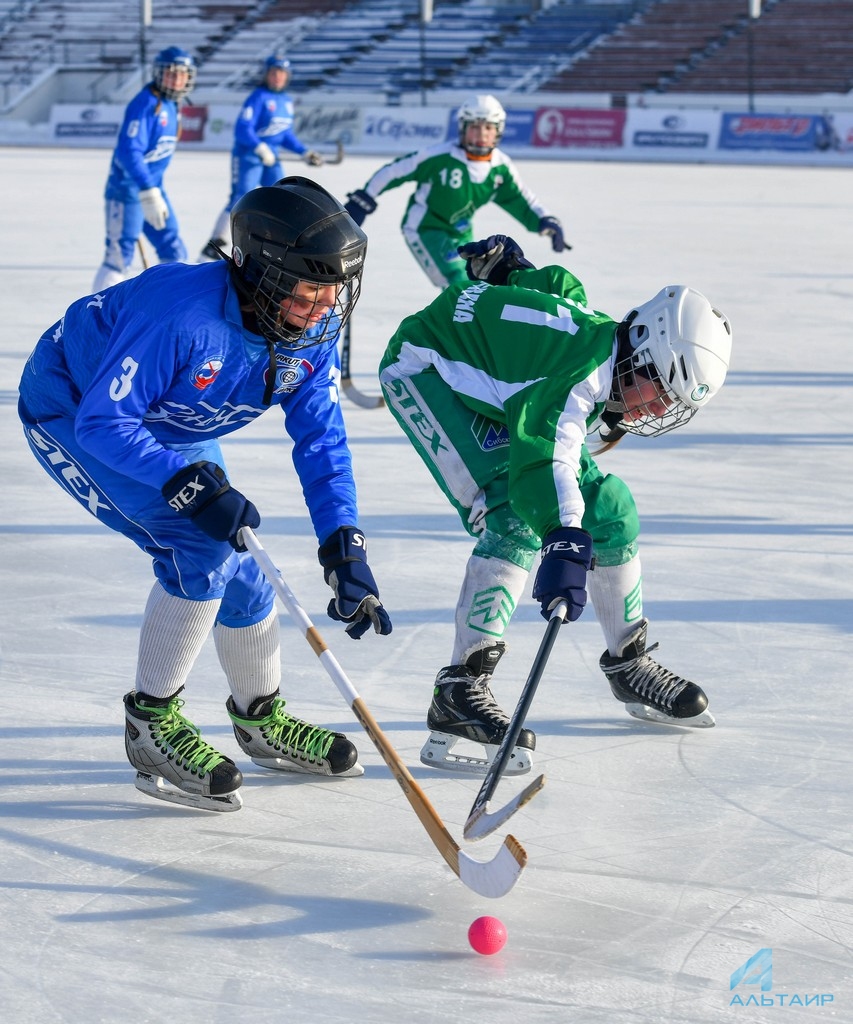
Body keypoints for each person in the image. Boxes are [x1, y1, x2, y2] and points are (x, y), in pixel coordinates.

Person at [19, 177, 392, 813]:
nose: (328, 304)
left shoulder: (309, 329)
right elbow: (105, 424)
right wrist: (184, 483)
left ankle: (259, 719)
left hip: (161, 419)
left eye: (338, 288)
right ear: (264, 275)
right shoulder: (182, 318)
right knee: (200, 543)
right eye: (312, 286)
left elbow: (322, 443)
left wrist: (343, 543)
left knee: (244, 564)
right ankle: (150, 726)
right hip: (76, 409)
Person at [377, 235, 732, 774]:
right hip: (426, 369)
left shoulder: (606, 336)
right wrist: (563, 539)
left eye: (667, 405)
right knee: (513, 515)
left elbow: (559, 287)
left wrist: (510, 271)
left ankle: (628, 662)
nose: (653, 409)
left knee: (610, 508)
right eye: (656, 391)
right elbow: (542, 465)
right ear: (640, 347)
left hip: (506, 382)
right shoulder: (579, 375)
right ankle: (460, 689)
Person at [343, 94, 567, 289]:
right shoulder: (440, 157)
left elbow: (520, 198)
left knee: (477, 281)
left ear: (498, 131)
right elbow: (395, 171)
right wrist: (365, 198)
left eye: (488, 127)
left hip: (461, 231)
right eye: (475, 127)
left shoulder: (501, 167)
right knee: (457, 278)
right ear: (463, 128)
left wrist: (545, 220)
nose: (481, 134)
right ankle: (457, 329)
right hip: (425, 228)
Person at [199, 53, 324, 261]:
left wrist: (304, 152)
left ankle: (278, 240)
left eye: (282, 73)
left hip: (271, 158)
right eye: (274, 72)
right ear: (267, 74)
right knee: (241, 196)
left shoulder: (286, 101)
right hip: (249, 155)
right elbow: (242, 129)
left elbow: (284, 134)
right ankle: (215, 242)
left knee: (282, 194)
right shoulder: (258, 97)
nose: (278, 77)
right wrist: (259, 147)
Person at [92, 46, 197, 293]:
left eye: (182, 74)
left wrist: (153, 190)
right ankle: (96, 320)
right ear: (159, 74)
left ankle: (171, 305)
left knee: (174, 249)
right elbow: (128, 151)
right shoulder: (145, 104)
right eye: (171, 73)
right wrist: (147, 188)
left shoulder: (173, 105)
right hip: (128, 191)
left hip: (155, 189)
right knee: (119, 257)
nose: (177, 79)